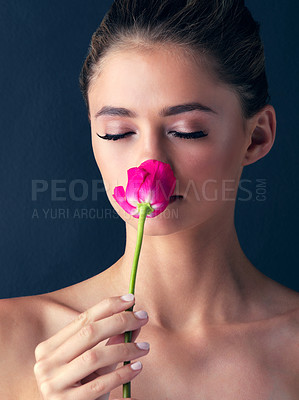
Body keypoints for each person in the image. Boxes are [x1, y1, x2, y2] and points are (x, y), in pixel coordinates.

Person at [1, 0, 299, 399]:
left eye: (189, 130)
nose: (150, 162)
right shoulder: (12, 339)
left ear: (257, 135)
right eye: (117, 133)